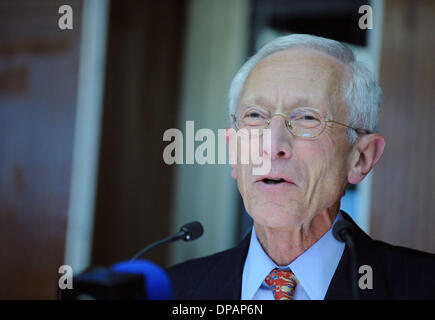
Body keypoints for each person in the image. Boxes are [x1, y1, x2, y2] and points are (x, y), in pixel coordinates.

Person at [166, 34, 435, 300]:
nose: (272, 146)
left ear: (361, 157)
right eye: (255, 116)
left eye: (307, 117)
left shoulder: (423, 286)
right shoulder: (171, 290)